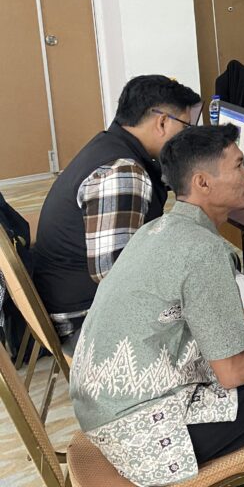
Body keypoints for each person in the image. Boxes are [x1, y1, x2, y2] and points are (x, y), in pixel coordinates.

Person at [69, 125, 244, 487]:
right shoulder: (203, 251)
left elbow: (203, 319)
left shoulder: (156, 231)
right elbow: (232, 372)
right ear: (203, 182)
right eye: (238, 166)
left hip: (104, 412)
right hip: (148, 436)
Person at [32, 75, 201, 351]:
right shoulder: (122, 171)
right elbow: (115, 275)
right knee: (234, 297)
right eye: (184, 126)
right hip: (86, 320)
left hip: (66, 297)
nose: (186, 137)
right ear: (162, 122)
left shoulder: (109, 145)